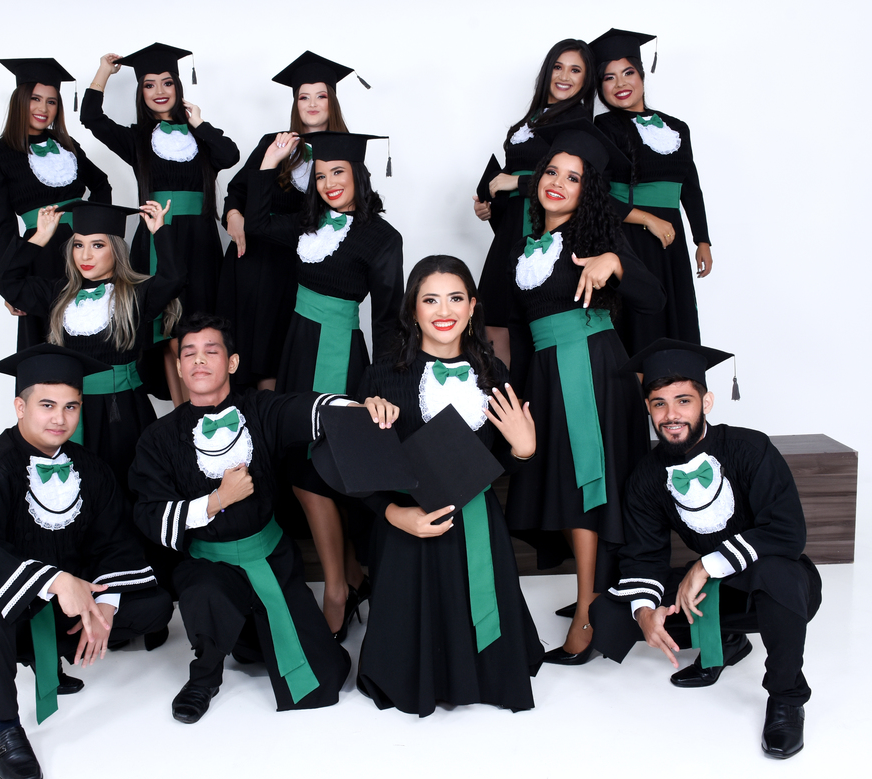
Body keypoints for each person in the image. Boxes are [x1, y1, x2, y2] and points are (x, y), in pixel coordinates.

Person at [128, 312, 398, 723]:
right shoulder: (157, 438)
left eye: (211, 351)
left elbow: (308, 407)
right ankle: (204, 676)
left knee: (324, 679)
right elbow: (150, 514)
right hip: (210, 566)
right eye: (189, 353)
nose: (199, 360)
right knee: (205, 592)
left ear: (232, 362)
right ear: (179, 368)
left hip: (273, 559)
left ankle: (249, 639)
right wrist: (216, 500)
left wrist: (361, 407)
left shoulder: (260, 408)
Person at [0, 344, 173, 779]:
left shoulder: (91, 468)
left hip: (54, 604)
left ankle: (47, 657)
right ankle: (6, 728)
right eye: (46, 405)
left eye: (71, 406)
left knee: (154, 605)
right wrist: (58, 580)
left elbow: (114, 541)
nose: (60, 419)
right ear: (20, 407)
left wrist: (108, 603)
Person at [589, 340, 822, 759]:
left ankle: (787, 697)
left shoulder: (750, 448)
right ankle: (726, 642)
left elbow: (788, 532)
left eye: (683, 401)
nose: (671, 415)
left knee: (778, 575)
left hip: (778, 586)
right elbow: (644, 554)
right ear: (648, 409)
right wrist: (645, 612)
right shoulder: (646, 476)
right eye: (659, 404)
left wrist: (705, 566)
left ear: (706, 402)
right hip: (716, 594)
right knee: (609, 613)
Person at [504, 118, 664, 663]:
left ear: (586, 190)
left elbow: (653, 297)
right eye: (552, 172)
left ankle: (587, 615)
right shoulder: (523, 245)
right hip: (546, 373)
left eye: (572, 178)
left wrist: (615, 262)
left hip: (591, 369)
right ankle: (595, 597)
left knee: (586, 488)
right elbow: (519, 328)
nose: (558, 183)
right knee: (570, 485)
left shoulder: (596, 237)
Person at [355, 256, 544, 716]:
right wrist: (396, 515)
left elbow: (501, 466)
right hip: (408, 528)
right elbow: (360, 468)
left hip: (478, 524)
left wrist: (523, 450)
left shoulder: (495, 374)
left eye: (456, 298)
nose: (444, 311)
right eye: (430, 300)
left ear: (473, 306)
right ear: (412, 310)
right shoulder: (381, 376)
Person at [244, 130, 404, 637]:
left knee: (319, 471)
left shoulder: (382, 238)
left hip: (339, 356)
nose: (330, 183)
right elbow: (257, 222)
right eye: (320, 175)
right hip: (296, 349)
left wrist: (380, 388)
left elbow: (389, 321)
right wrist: (269, 162)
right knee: (298, 469)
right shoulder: (305, 223)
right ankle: (351, 577)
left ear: (358, 174)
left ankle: (337, 589)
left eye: (338, 172)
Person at [82, 43, 240, 403]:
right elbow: (91, 118)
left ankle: (207, 407)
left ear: (178, 87)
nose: (159, 91)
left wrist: (199, 123)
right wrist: (104, 71)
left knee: (201, 329)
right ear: (141, 92)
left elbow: (230, 155)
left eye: (167, 83)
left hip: (200, 242)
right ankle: (184, 414)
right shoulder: (136, 139)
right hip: (157, 240)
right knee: (167, 332)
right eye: (149, 85)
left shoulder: (200, 137)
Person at [0, 199, 183, 495]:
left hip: (123, 412)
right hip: (72, 412)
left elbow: (174, 278)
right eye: (78, 245)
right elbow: (5, 281)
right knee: (78, 489)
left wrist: (160, 230)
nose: (85, 255)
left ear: (115, 249)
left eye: (97, 245)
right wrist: (40, 236)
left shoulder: (136, 295)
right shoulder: (57, 294)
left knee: (126, 487)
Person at [218, 51, 358, 391]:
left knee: (283, 355)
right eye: (303, 97)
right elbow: (237, 190)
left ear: (332, 101)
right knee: (245, 353)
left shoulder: (346, 151)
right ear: (295, 103)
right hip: (252, 259)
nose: (312, 104)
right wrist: (233, 215)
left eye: (320, 96)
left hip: (297, 264)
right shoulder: (275, 143)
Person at [472, 39, 597, 367]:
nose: (564, 76)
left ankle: (531, 393)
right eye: (558, 67)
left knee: (526, 323)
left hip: (546, 231)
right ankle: (501, 393)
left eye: (575, 70)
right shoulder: (529, 119)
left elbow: (577, 184)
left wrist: (517, 182)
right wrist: (490, 205)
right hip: (511, 230)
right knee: (494, 322)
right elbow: (509, 176)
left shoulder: (579, 126)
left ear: (587, 80)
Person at [590, 29, 713, 354]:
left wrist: (702, 240)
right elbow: (595, 195)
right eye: (609, 78)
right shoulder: (604, 129)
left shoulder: (677, 128)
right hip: (628, 238)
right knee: (640, 325)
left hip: (672, 240)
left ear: (642, 75)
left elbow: (690, 187)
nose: (620, 84)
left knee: (677, 315)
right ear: (600, 86)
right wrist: (648, 219)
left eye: (628, 73)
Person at [0, 58, 112, 350]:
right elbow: (1, 225)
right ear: (20, 101)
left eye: (51, 102)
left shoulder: (67, 144)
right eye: (35, 99)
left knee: (93, 327)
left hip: (82, 250)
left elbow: (101, 184)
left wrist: (98, 231)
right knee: (49, 337)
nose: (43, 108)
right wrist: (10, 283)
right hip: (39, 256)